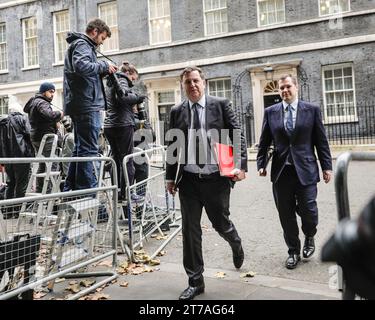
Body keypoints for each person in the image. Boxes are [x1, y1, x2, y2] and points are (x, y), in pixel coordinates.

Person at [166, 66, 247, 300]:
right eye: (187, 82)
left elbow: (237, 133)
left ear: (204, 83)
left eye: (195, 81)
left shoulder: (220, 104)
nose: (192, 85)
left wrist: (240, 166)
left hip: (215, 178)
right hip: (189, 179)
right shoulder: (176, 110)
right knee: (190, 231)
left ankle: (234, 240)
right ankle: (195, 281)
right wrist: (170, 177)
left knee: (220, 222)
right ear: (183, 86)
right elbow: (172, 145)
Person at [256, 74, 333, 270]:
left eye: (288, 86)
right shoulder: (271, 112)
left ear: (296, 87)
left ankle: (309, 234)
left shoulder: (311, 110)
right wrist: (261, 163)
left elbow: (320, 141)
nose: (284, 91)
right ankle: (293, 251)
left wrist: (327, 166)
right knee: (286, 214)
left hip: (305, 169)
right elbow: (264, 141)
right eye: (281, 88)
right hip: (282, 172)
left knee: (308, 210)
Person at [63, 18, 117, 191]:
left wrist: (100, 72)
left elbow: (83, 71)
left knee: (80, 150)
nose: (101, 43)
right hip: (87, 104)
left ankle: (71, 190)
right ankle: (88, 195)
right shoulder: (83, 45)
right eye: (102, 38)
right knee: (88, 150)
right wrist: (104, 65)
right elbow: (81, 66)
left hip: (82, 102)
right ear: (95, 31)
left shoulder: (81, 45)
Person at [104, 61, 146, 201]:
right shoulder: (122, 79)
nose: (133, 80)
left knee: (116, 160)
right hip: (122, 124)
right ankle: (126, 193)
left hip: (110, 125)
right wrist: (138, 97)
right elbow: (122, 97)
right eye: (134, 77)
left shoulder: (111, 80)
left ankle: (119, 192)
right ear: (129, 73)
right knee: (127, 160)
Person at [23, 82, 63, 193]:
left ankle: (41, 192)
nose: (52, 94)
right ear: (44, 91)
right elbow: (49, 115)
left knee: (42, 166)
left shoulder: (35, 102)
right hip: (45, 137)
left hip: (36, 137)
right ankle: (50, 194)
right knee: (52, 164)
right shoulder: (42, 102)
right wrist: (60, 114)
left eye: (53, 92)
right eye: (50, 91)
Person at [0, 107, 34, 218]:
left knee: (10, 183)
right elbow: (29, 135)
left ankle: (7, 212)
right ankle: (18, 211)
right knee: (21, 184)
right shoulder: (21, 118)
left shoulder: (3, 122)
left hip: (8, 158)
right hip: (21, 156)